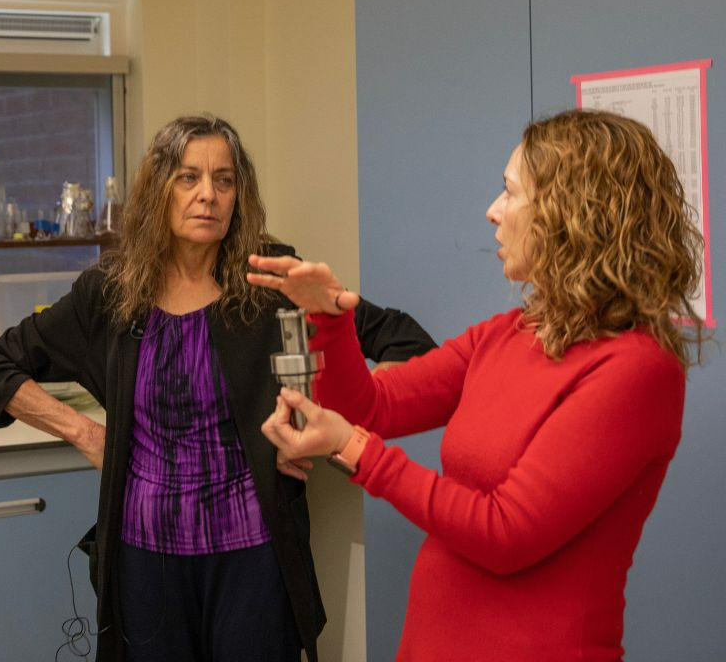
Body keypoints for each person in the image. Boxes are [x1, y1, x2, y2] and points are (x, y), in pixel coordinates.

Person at [0, 114, 435, 661]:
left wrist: (318, 429)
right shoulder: (112, 293)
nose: (207, 196)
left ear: (240, 194)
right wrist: (86, 434)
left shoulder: (270, 279)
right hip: (145, 560)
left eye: (224, 179)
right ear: (159, 188)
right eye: (188, 178)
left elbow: (406, 343)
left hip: (254, 559)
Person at [249, 109, 706, 662]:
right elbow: (372, 406)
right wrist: (331, 319)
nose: (492, 211)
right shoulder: (506, 335)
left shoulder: (637, 370)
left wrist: (356, 450)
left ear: (572, 216)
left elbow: (506, 532)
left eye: (510, 193)